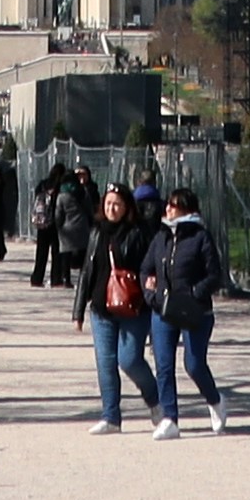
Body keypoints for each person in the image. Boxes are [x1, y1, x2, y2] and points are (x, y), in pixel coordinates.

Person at [78, 183, 161, 434]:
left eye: (117, 204)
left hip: (133, 307)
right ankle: (111, 416)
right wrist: (78, 310)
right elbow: (86, 272)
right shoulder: (96, 232)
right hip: (101, 308)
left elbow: (150, 265)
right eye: (108, 204)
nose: (112, 209)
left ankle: (156, 400)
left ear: (127, 208)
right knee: (105, 362)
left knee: (129, 359)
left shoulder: (139, 232)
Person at [152, 184, 232, 431]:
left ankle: (215, 400)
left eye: (173, 205)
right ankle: (170, 419)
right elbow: (147, 267)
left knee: (194, 364)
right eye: (167, 204)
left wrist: (194, 293)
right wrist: (150, 291)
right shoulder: (162, 236)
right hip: (164, 309)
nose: (167, 208)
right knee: (163, 365)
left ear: (186, 209)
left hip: (195, 310)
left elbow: (214, 274)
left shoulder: (200, 237)